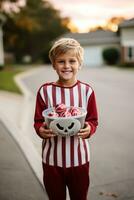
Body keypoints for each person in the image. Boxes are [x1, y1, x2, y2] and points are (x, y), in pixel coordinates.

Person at [34, 38, 98, 200]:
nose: (67, 66)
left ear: (79, 64)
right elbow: (38, 121)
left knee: (79, 196)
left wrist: (89, 128)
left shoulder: (86, 91)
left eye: (72, 61)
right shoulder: (45, 91)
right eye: (61, 61)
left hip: (79, 159)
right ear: (54, 65)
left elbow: (93, 119)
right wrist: (40, 129)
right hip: (52, 159)